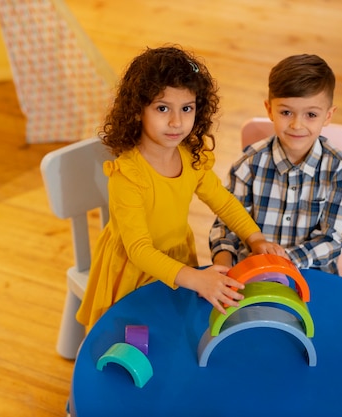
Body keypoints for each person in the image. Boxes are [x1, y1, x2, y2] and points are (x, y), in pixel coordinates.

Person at [76, 45, 286, 328]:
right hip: (132, 268)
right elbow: (139, 250)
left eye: (186, 108)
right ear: (137, 111)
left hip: (177, 259)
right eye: (163, 108)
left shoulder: (190, 157)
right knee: (129, 333)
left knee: (173, 329)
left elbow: (222, 201)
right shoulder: (127, 175)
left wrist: (254, 237)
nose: (176, 121)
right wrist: (197, 278)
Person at [209, 54, 342, 274]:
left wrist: (284, 260)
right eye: (286, 112)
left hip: (311, 274)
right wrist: (222, 262)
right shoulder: (248, 164)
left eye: (311, 115)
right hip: (252, 274)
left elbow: (335, 237)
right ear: (269, 110)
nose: (297, 125)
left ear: (328, 116)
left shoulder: (337, 168)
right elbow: (226, 226)